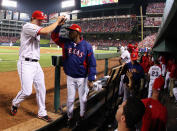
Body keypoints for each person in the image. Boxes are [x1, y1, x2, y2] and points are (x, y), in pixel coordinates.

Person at [11, 10, 66, 122]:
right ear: (33, 18)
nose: (41, 22)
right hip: (25, 63)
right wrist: (57, 21)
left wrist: (58, 25)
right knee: (26, 91)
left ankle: (42, 112)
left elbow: (48, 31)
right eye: (39, 20)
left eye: (42, 20)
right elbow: (46, 31)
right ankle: (15, 103)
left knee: (41, 89)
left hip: (36, 64)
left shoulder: (36, 28)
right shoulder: (28, 26)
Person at [51, 24, 97, 125]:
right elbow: (54, 37)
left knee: (83, 100)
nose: (69, 33)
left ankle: (81, 117)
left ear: (77, 33)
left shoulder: (87, 46)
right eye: (69, 31)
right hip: (70, 77)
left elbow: (92, 64)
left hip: (82, 78)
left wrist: (91, 79)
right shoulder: (66, 42)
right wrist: (58, 25)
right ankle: (70, 118)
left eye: (71, 31)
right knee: (70, 100)